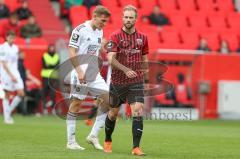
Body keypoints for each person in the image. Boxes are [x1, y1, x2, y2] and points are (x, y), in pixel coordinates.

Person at [104, 5, 149, 156]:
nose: (128, 20)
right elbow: (110, 58)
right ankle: (108, 140)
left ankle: (136, 147)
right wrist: (125, 69)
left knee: (138, 110)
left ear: (135, 19)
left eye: (131, 17)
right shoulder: (115, 36)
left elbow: (144, 57)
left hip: (136, 80)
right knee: (113, 113)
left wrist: (146, 74)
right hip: (117, 81)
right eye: (126, 17)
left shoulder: (143, 38)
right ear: (122, 18)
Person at [66, 5, 111, 150]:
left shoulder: (99, 30)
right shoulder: (79, 30)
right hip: (80, 71)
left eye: (105, 22)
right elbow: (72, 51)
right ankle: (71, 141)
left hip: (93, 72)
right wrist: (79, 71)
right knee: (76, 104)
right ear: (95, 16)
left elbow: (96, 50)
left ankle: (93, 135)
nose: (104, 24)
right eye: (102, 21)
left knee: (108, 100)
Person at [0, 31, 25, 124]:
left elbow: (15, 62)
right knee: (7, 94)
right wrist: (11, 75)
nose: (12, 39)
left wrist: (15, 74)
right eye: (10, 37)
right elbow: (3, 63)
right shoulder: (2, 48)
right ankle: (7, 118)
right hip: (6, 74)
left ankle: (8, 112)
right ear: (6, 37)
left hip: (15, 73)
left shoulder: (15, 48)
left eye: (13, 38)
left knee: (21, 93)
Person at [41, 44, 60, 113]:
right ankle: (44, 108)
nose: (52, 49)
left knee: (53, 93)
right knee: (45, 93)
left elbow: (57, 66)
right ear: (48, 49)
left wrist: (49, 65)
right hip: (45, 76)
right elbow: (44, 66)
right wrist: (52, 65)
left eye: (53, 48)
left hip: (54, 77)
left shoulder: (57, 56)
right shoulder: (45, 55)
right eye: (50, 48)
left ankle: (53, 109)